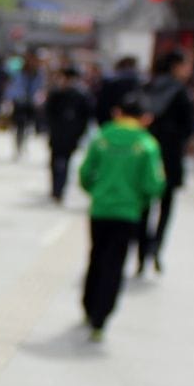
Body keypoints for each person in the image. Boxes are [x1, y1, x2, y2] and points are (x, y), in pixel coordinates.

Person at [78, 97, 165, 343]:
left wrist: (96, 193)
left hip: (99, 210)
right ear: (145, 118)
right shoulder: (146, 145)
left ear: (118, 113)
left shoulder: (102, 138)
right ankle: (101, 318)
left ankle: (88, 307)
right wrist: (140, 202)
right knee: (114, 265)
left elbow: (85, 174)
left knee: (95, 256)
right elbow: (154, 184)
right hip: (127, 214)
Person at [138, 50, 194, 274]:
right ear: (176, 66)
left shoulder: (149, 86)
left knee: (144, 207)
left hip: (145, 156)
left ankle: (142, 252)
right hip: (170, 158)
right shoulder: (182, 93)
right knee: (165, 208)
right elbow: (188, 128)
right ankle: (155, 248)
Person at [42, 64, 92, 203]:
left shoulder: (81, 95)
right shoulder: (57, 94)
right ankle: (55, 189)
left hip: (70, 135)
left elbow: (86, 116)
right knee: (55, 162)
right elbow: (48, 112)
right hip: (58, 134)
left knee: (65, 162)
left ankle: (60, 189)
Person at [7, 49, 46, 158]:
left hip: (31, 103)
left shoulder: (39, 73)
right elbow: (14, 86)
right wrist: (11, 99)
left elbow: (40, 87)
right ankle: (18, 147)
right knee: (19, 126)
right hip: (19, 102)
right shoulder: (20, 71)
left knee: (28, 126)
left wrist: (38, 98)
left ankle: (23, 145)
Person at [95, 55, 142, 126]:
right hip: (133, 123)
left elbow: (101, 104)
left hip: (109, 122)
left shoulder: (110, 81)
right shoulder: (140, 82)